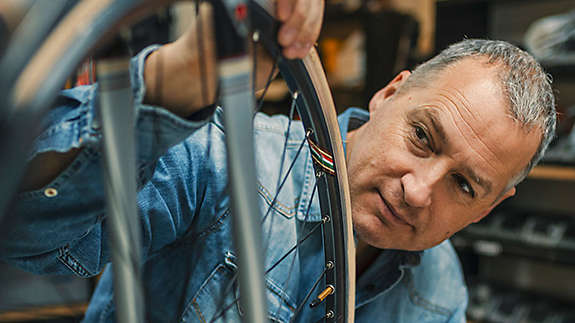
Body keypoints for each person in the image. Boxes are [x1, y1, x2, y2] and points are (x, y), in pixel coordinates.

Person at [0, 1, 556, 322]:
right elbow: (26, 234)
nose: (418, 190)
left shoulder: (441, 295)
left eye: (463, 185)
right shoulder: (225, 156)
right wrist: (175, 83)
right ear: (390, 94)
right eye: (422, 137)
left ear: (490, 208)